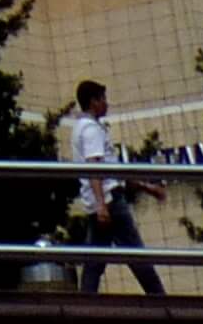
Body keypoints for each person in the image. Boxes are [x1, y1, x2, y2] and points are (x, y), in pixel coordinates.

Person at [65, 81, 165, 299]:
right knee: (135, 254)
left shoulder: (81, 128)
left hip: (99, 203)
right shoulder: (91, 130)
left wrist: (146, 188)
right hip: (110, 202)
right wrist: (102, 204)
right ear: (93, 101)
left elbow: (112, 171)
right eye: (103, 99)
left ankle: (85, 303)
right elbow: (96, 167)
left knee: (94, 262)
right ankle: (161, 300)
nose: (106, 104)